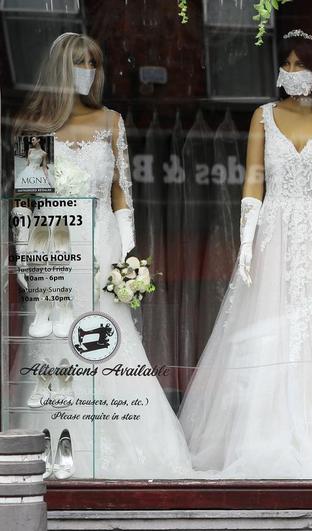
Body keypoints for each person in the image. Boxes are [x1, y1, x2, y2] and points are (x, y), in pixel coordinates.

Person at [178, 28, 312, 478]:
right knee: (269, 327)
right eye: (289, 64)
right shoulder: (262, 116)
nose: (294, 72)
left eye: (303, 64)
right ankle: (263, 432)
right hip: (274, 232)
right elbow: (253, 183)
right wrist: (246, 242)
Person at [11, 32, 192, 478]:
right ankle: (59, 450)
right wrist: (21, 257)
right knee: (55, 347)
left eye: (93, 62)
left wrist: (128, 256)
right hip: (53, 248)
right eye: (78, 62)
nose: (86, 71)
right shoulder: (36, 127)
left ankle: (130, 448)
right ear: (60, 68)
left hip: (104, 247)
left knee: (111, 342)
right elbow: (24, 200)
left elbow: (121, 194)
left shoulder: (112, 122)